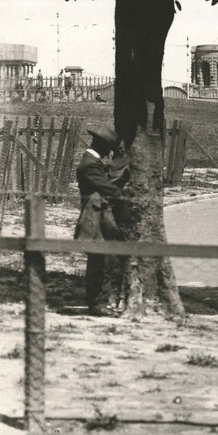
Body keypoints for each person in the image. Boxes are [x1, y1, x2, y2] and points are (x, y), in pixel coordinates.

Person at [75, 125, 124, 314]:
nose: (108, 154)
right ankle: (98, 304)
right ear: (101, 146)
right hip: (94, 217)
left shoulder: (92, 162)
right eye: (108, 149)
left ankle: (99, 301)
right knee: (101, 262)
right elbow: (107, 188)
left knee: (102, 260)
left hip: (99, 215)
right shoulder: (89, 165)